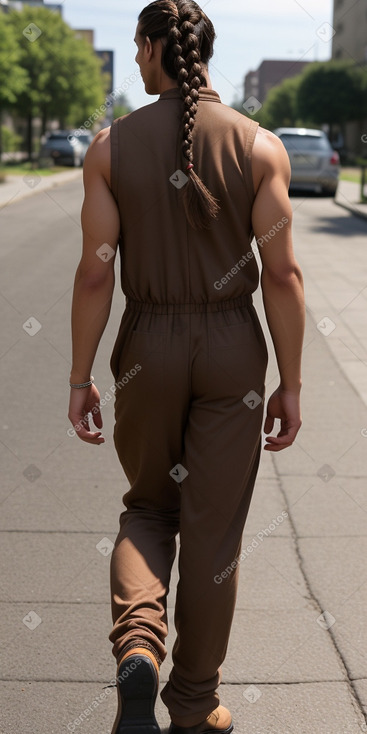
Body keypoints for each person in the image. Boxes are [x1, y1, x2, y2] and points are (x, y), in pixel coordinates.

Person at [68, 1, 305, 732]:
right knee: (211, 533)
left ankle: (138, 645)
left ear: (147, 49)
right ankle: (196, 704)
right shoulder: (261, 146)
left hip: (148, 345)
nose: (136, 61)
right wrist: (290, 384)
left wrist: (80, 377)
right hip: (232, 349)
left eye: (137, 51)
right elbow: (281, 276)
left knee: (147, 508)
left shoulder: (109, 148)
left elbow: (96, 275)